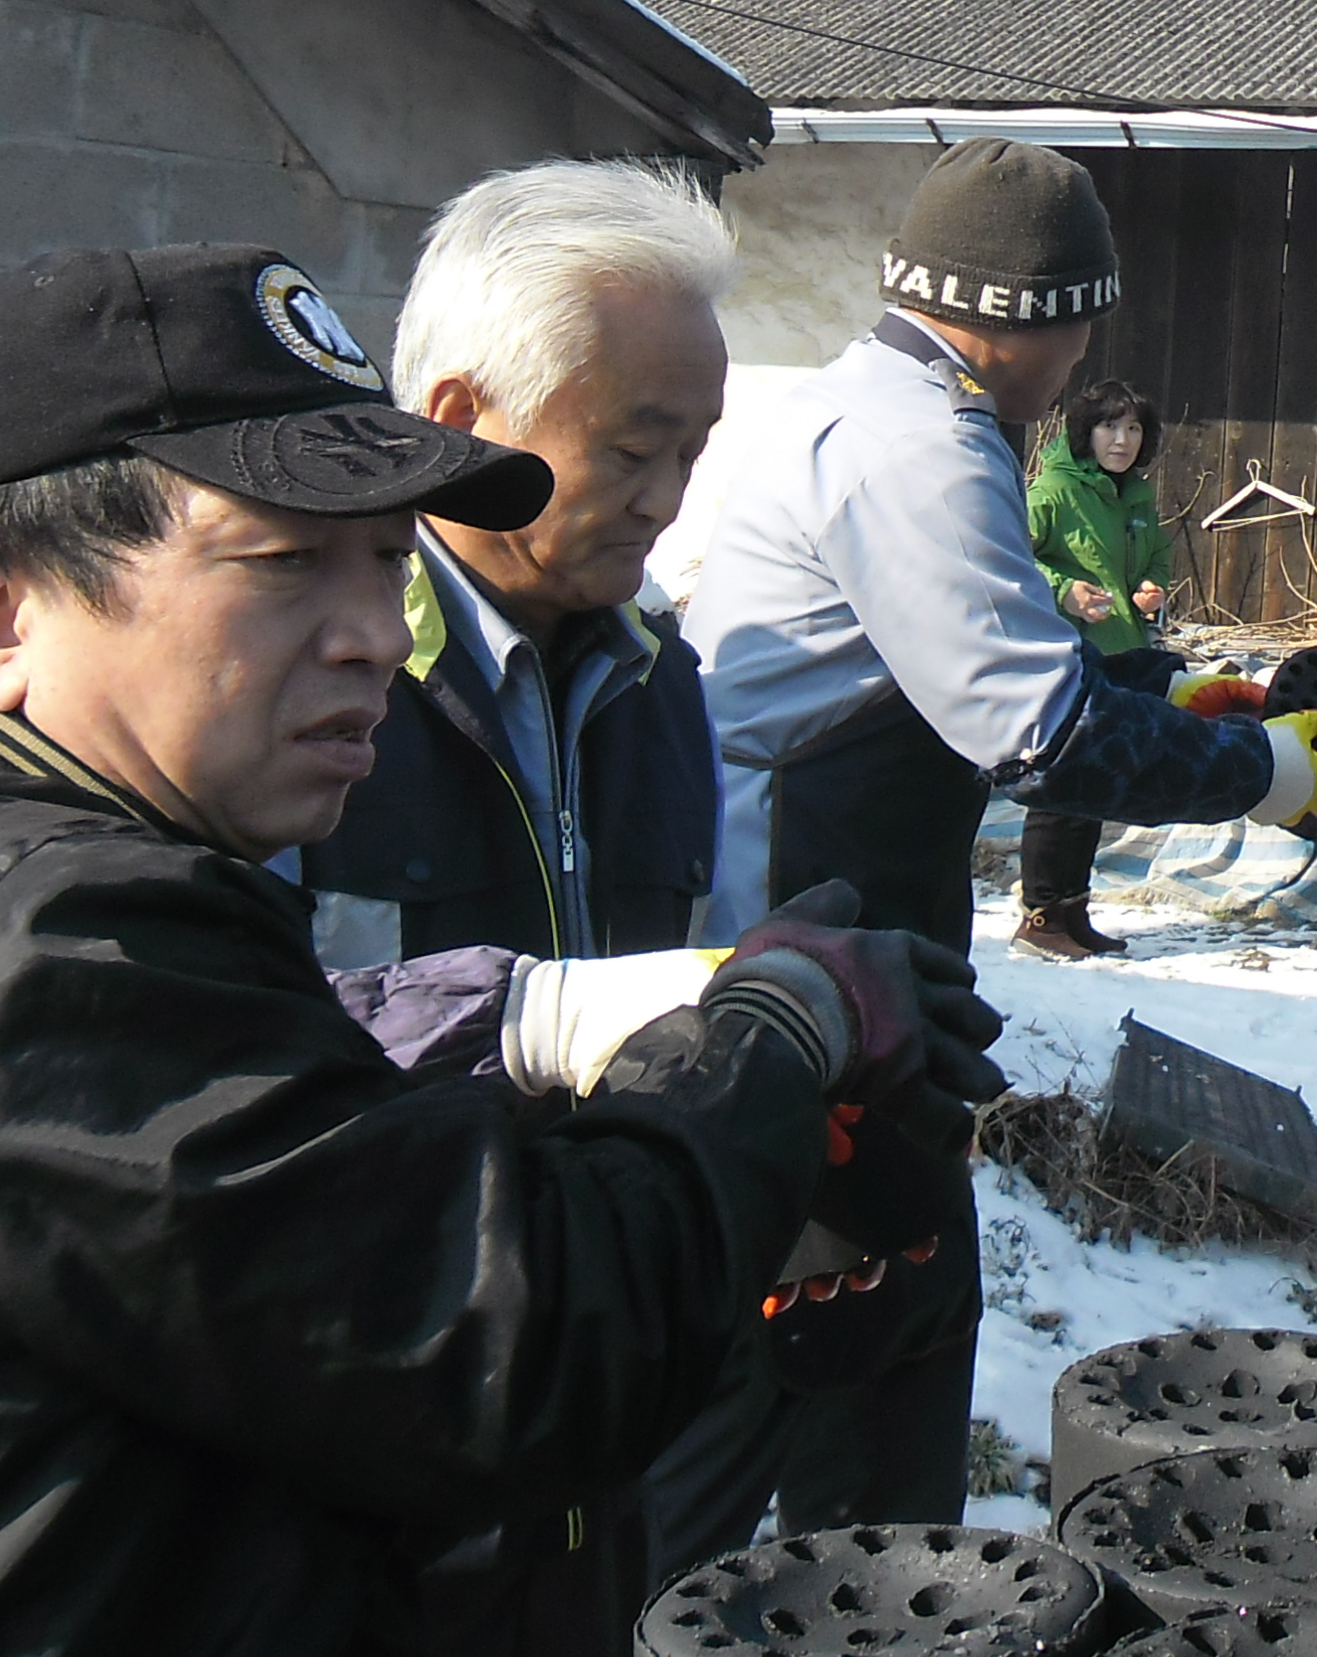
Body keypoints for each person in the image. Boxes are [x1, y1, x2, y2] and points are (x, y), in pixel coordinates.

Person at [0, 242, 1004, 1653]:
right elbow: (520, 1344)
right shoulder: (53, 936)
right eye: (285, 562)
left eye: (384, 559)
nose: (374, 632)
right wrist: (772, 1036)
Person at [665, 139, 1317, 1561]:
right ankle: (849, 1607)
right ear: (1045, 319)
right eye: (1085, 329)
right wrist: (1271, 775)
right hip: (809, 959)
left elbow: (990, 654)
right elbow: (1040, 734)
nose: (1080, 367)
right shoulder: (925, 449)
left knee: (850, 1326)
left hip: (838, 939)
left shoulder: (871, 404)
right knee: (850, 1344)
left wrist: (1174, 692)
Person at [297, 159, 740, 1648]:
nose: (668, 502)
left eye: (693, 452)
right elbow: (220, 1049)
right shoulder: (312, 683)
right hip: (364, 1449)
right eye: (633, 448)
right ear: (460, 422)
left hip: (594, 1421)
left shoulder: (660, 680)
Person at [1019, 375, 1176, 959]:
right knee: (1058, 784)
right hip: (1066, 657)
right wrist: (1064, 591)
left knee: (1092, 787)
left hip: (1120, 653)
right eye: (1110, 426)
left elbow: (1157, 554)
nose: (1122, 440)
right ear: (1086, 432)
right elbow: (1008, 557)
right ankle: (1040, 919)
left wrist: (1150, 586)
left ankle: (1073, 913)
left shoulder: (1135, 495)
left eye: (1133, 428)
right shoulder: (1053, 492)